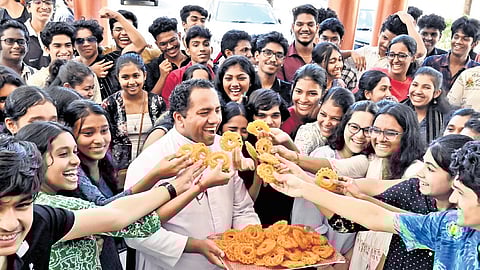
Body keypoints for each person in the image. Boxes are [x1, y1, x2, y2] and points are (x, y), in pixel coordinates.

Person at [0, 131, 208, 270]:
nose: (9, 223)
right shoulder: (51, 205)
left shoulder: (42, 219)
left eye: (22, 205)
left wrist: (177, 186)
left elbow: (116, 216)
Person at [271, 139, 480, 270]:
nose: (453, 199)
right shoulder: (447, 225)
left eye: (460, 192)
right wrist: (304, 186)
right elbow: (375, 216)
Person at [124, 79, 260, 270]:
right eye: (204, 113)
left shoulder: (226, 149)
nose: (215, 120)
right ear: (179, 118)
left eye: (217, 110)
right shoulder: (151, 162)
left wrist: (250, 243)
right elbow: (135, 236)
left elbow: (241, 208)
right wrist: (194, 246)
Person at [292, 100, 378, 270]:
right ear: (344, 125)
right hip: (315, 256)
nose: (360, 135)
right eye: (354, 127)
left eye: (367, 130)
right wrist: (323, 261)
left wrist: (347, 259)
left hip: (350, 259)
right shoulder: (323, 156)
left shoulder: (374, 165)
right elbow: (307, 219)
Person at [102, 52, 166, 171]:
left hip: (152, 167)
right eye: (125, 77)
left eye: (136, 76)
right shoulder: (110, 104)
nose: (131, 82)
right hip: (119, 171)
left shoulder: (157, 102)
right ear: (117, 78)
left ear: (144, 75)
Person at [347, 12, 426, 73]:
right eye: (384, 38)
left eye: (392, 42)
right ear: (379, 33)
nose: (386, 44)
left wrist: (409, 22)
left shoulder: (399, 61)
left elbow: (420, 52)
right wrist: (350, 53)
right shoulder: (366, 51)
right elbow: (336, 55)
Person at [423, 16, 480, 93]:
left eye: (465, 39)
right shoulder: (432, 62)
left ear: (474, 44)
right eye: (456, 37)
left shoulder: (476, 71)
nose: (458, 41)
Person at [161, 26, 215, 107]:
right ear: (188, 51)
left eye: (206, 44)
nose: (202, 49)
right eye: (196, 45)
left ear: (211, 50)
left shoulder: (218, 74)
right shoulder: (175, 76)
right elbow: (168, 107)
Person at [295, 86, 355, 156]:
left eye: (335, 119)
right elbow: (298, 160)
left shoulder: (352, 136)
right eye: (323, 114)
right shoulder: (307, 133)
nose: (326, 123)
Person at [403, 67, 451, 145]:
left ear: (436, 93)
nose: (418, 91)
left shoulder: (445, 119)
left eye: (426, 87)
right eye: (415, 85)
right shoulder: (397, 112)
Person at [73, 19, 118, 100]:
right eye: (80, 41)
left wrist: (116, 16)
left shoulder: (111, 60)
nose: (86, 44)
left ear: (98, 41)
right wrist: (90, 72)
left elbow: (139, 45)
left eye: (91, 39)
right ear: (73, 45)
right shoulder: (71, 69)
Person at [145, 16, 190, 95]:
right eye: (163, 44)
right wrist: (163, 77)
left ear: (179, 36)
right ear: (157, 44)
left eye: (172, 40)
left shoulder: (193, 60)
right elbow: (151, 100)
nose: (170, 46)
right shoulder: (152, 68)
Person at [280, 64, 326, 139]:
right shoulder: (283, 119)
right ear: (292, 89)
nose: (303, 99)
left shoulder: (327, 119)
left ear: (323, 94)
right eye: (299, 91)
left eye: (312, 94)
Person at [27, 21, 76, 88]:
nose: (64, 51)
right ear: (47, 49)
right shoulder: (36, 80)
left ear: (73, 47)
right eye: (57, 46)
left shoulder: (86, 75)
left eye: (68, 45)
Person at [277, 4, 318, 82]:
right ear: (293, 27)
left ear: (317, 28)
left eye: (310, 25)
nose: (305, 29)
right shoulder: (282, 56)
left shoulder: (324, 56)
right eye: (300, 24)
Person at [373, 34, 418, 102]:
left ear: (413, 58)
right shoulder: (375, 74)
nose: (396, 60)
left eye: (402, 56)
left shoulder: (414, 86)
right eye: (392, 55)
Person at [318, 18, 358, 91]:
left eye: (334, 39)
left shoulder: (349, 74)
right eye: (325, 38)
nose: (329, 43)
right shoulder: (310, 66)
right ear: (318, 39)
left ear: (340, 42)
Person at [254, 31, 292, 105]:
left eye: (279, 55)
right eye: (268, 53)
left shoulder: (289, 91)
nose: (273, 59)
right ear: (257, 56)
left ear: (283, 60)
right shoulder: (246, 86)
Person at [23, 0, 55, 69]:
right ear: (28, 7)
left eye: (48, 2)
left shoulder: (61, 33)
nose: (44, 7)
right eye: (38, 2)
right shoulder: (20, 34)